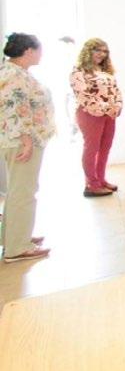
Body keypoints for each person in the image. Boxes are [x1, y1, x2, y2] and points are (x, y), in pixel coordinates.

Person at [0, 33, 55, 263]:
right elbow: (15, 109)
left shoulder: (15, 72)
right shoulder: (14, 75)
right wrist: (26, 139)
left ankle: (14, 236)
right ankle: (17, 247)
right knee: (23, 192)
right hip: (22, 142)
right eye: (39, 49)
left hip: (22, 140)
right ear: (28, 51)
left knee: (18, 190)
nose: (41, 54)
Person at [70, 38, 123, 197]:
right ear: (88, 51)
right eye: (97, 50)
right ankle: (91, 184)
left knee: (105, 148)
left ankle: (100, 179)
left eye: (105, 51)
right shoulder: (78, 71)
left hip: (109, 114)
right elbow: (83, 95)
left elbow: (116, 91)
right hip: (90, 114)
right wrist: (106, 108)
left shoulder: (105, 71)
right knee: (91, 148)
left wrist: (117, 106)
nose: (102, 54)